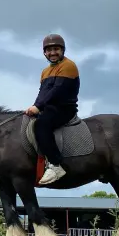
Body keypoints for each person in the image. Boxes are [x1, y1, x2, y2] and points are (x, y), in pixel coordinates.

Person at [24, 33, 80, 185]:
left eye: (56, 49)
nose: (53, 53)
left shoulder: (68, 66)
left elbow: (57, 90)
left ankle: (56, 165)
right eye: (49, 50)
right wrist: (34, 106)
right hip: (48, 108)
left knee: (41, 125)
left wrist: (38, 107)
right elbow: (43, 93)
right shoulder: (45, 71)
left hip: (64, 109)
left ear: (62, 50)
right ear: (44, 53)